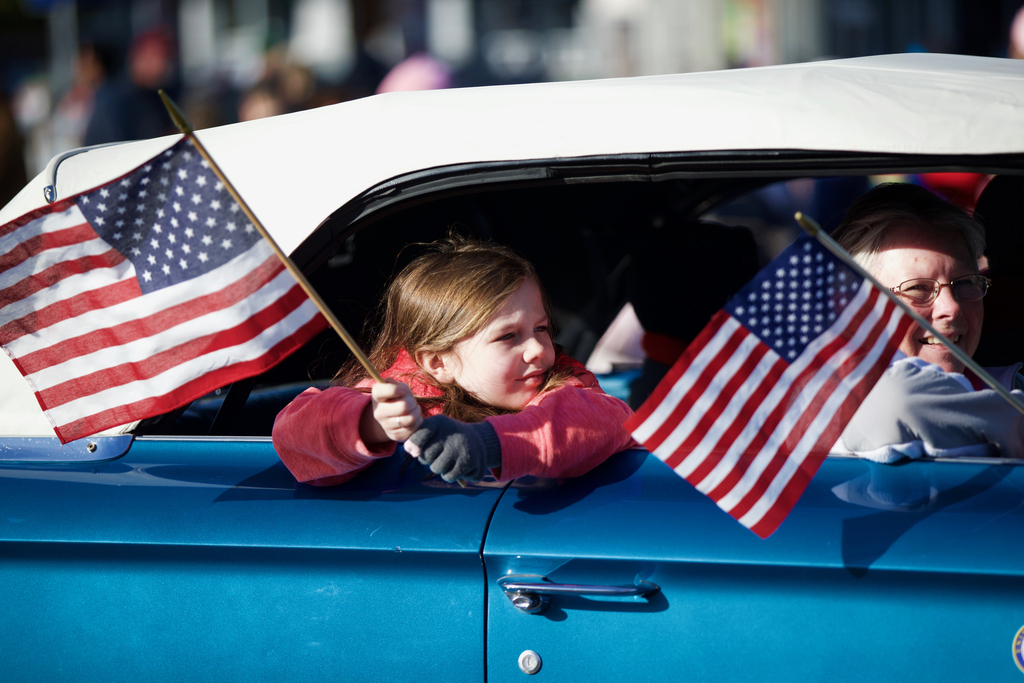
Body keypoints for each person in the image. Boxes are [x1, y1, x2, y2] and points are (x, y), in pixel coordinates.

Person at [272, 237, 636, 485]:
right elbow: (293, 434)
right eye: (508, 336)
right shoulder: (403, 395)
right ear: (437, 363)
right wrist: (371, 424)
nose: (539, 350)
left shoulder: (565, 384)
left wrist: (486, 444)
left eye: (540, 327)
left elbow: (603, 420)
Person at [830, 183, 1024, 462]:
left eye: (966, 283)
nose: (952, 308)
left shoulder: (1013, 383)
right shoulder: (830, 397)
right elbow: (897, 404)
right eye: (918, 288)